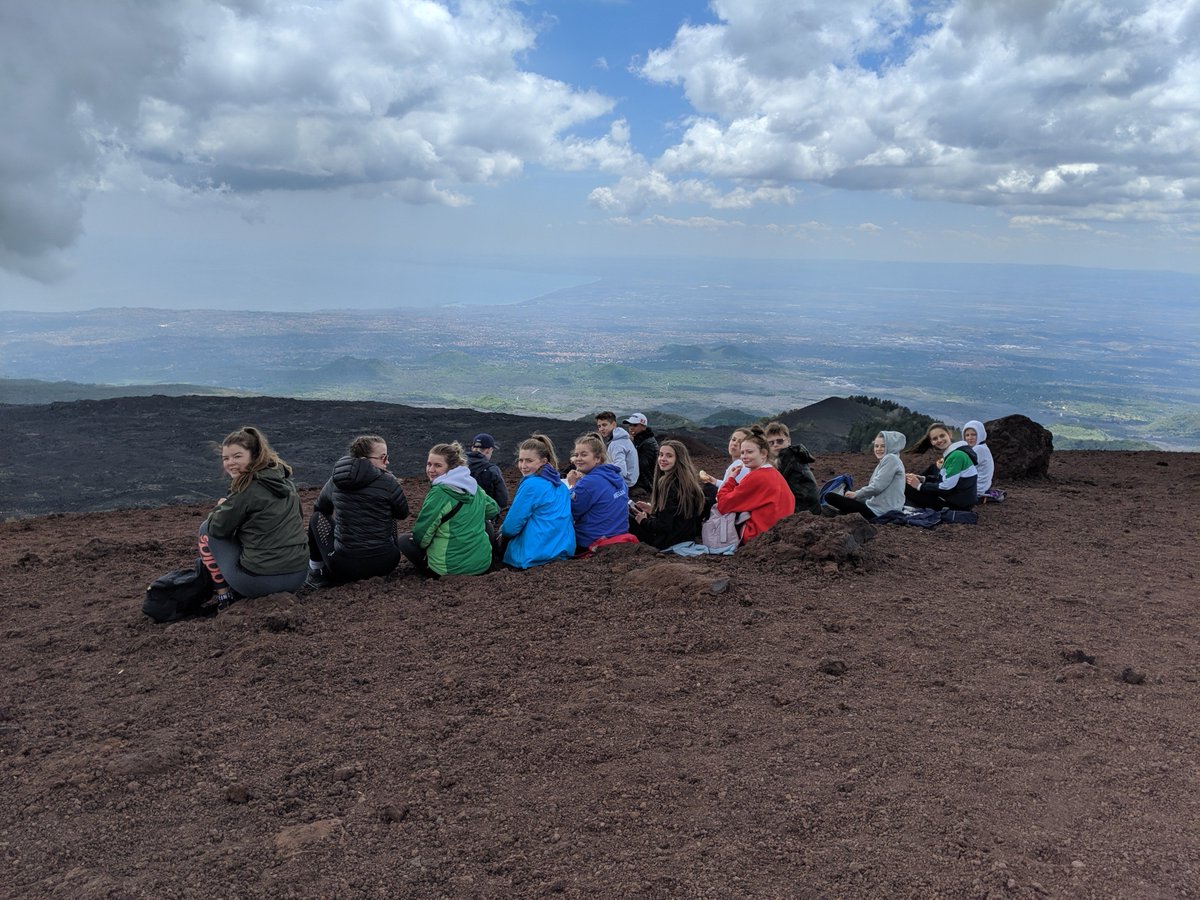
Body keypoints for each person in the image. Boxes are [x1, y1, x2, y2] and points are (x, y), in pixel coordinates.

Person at [198, 426, 308, 608]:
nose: (230, 463)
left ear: (254, 455)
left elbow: (217, 529)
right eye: (226, 458)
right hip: (298, 577)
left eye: (237, 456)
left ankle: (224, 597)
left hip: (259, 584)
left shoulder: (247, 490)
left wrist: (220, 509)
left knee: (206, 528)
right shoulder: (286, 483)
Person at [305, 434, 410, 589]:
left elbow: (321, 508)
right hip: (386, 562)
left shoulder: (336, 480)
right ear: (364, 459)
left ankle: (316, 573)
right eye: (383, 457)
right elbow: (402, 513)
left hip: (345, 566)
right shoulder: (389, 482)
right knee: (391, 514)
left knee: (317, 518)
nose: (387, 461)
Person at [398, 442, 498, 577]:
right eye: (429, 464)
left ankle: (431, 573)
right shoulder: (473, 486)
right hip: (481, 566)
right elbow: (492, 509)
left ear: (451, 468)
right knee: (485, 525)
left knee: (404, 540)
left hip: (448, 570)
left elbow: (422, 536)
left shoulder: (439, 492)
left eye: (438, 465)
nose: (431, 470)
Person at [500, 434, 575, 569]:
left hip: (533, 556)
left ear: (543, 461)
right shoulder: (562, 486)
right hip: (562, 552)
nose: (523, 466)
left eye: (529, 461)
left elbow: (510, 527)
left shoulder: (531, 485)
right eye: (520, 460)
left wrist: (501, 534)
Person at [715, 429, 795, 543]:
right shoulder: (774, 473)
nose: (744, 457)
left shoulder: (756, 476)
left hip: (758, 536)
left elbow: (722, 504)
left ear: (763, 453)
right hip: (779, 534)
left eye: (749, 452)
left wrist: (730, 479)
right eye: (742, 453)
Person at [630, 439, 709, 549]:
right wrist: (653, 509)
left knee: (628, 517)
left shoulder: (668, 484)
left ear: (679, 459)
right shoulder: (687, 482)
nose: (663, 459)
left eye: (669, 456)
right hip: (685, 538)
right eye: (661, 455)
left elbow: (664, 526)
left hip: (667, 542)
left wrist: (643, 521)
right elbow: (676, 516)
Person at [566, 433, 630, 553]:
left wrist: (572, 485)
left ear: (597, 458)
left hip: (591, 540)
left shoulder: (589, 482)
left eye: (584, 455)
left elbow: (571, 511)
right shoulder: (615, 476)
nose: (578, 459)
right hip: (618, 534)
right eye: (576, 455)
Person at [823, 431, 907, 521]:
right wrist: (857, 496)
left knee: (829, 496)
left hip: (879, 512)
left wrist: (856, 494)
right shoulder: (892, 459)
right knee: (850, 498)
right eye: (876, 446)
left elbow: (877, 487)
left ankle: (841, 513)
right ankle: (841, 513)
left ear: (891, 446)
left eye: (883, 446)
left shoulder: (890, 459)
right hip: (883, 507)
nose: (878, 449)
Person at [904, 423, 979, 510]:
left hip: (955, 505)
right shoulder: (954, 453)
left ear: (950, 434)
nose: (939, 440)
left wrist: (919, 486)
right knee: (910, 484)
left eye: (942, 436)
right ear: (931, 442)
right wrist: (923, 479)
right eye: (935, 438)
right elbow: (945, 479)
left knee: (907, 487)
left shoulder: (957, 456)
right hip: (958, 500)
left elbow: (946, 487)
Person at [765, 421, 821, 515]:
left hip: (803, 510)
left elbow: (773, 485)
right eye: (771, 443)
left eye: (780, 441)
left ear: (788, 441)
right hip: (810, 507)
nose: (775, 444)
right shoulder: (796, 455)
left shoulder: (788, 456)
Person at [594, 411, 639, 490]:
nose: (601, 429)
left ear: (614, 424)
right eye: (599, 426)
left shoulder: (617, 444)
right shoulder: (623, 438)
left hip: (626, 483)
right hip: (631, 480)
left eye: (604, 425)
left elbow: (620, 470)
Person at [466, 433, 510, 511]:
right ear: (489, 450)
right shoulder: (492, 470)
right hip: (484, 513)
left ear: (473, 448)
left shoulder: (459, 466)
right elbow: (503, 499)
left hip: (461, 513)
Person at [623, 413, 659, 496]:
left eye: (635, 425)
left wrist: (648, 487)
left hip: (647, 483)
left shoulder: (647, 443)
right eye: (630, 425)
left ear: (643, 427)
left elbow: (643, 467)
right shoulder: (640, 440)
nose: (631, 427)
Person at [962, 419, 995, 497]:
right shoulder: (982, 447)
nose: (970, 438)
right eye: (967, 435)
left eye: (973, 434)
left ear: (980, 434)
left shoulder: (979, 449)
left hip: (977, 488)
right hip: (980, 486)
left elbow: (963, 468)